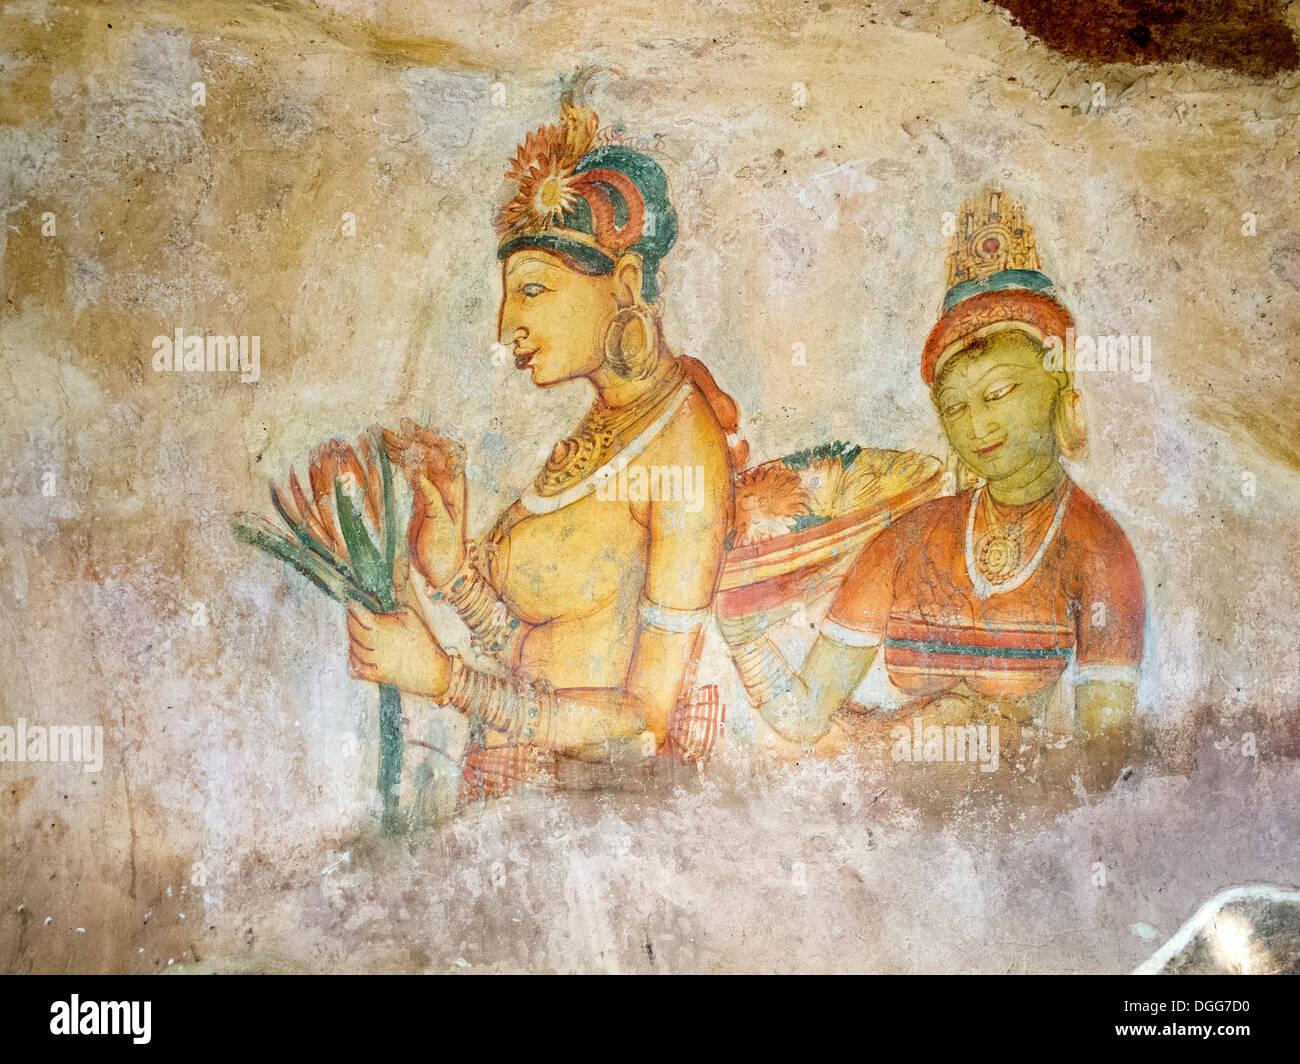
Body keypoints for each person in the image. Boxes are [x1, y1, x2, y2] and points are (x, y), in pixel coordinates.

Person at [346, 74, 742, 798]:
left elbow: (640, 722)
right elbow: (537, 654)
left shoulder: (683, 444)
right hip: (522, 802)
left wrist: (442, 678)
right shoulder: (604, 424)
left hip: (599, 826)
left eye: (532, 290)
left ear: (623, 284)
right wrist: (452, 575)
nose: (506, 327)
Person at [719, 189, 1145, 793]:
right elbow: (805, 714)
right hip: (891, 817)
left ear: (1058, 388)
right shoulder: (907, 539)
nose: (978, 426)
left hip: (1023, 829)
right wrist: (743, 636)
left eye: (999, 394)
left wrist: (987, 744)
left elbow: (1103, 770)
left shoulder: (1098, 554)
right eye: (956, 408)